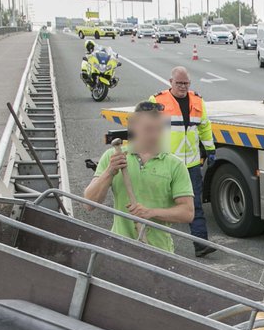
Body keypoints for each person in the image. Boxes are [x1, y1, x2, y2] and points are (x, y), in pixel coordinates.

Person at [83, 101, 195, 254]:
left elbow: (187, 212)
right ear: (133, 127)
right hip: (119, 249)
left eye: (159, 129)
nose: (155, 135)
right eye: (148, 129)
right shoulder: (113, 157)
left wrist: (151, 212)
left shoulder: (175, 165)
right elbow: (89, 204)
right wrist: (110, 171)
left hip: (159, 253)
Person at [149, 66, 217, 257]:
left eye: (186, 83)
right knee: (160, 204)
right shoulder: (157, 101)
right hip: (165, 163)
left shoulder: (197, 101)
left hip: (191, 165)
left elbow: (204, 127)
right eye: (179, 83)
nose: (182, 86)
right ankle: (153, 244)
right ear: (170, 82)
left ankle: (201, 244)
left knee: (194, 205)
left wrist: (210, 149)